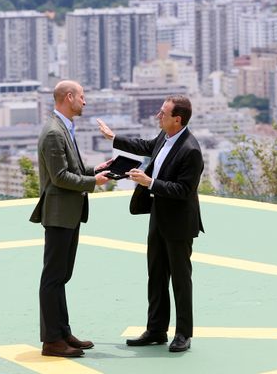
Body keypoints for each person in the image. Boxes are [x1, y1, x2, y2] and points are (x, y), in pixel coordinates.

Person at [97, 96, 204, 355]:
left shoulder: (191, 150)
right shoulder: (164, 137)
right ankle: (156, 330)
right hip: (158, 217)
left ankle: (183, 334)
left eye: (163, 113)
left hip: (179, 224)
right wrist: (114, 138)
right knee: (155, 276)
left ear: (177, 119)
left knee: (180, 280)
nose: (158, 116)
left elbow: (184, 190)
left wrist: (150, 183)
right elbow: (145, 145)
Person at [30, 80, 109, 358]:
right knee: (53, 277)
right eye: (82, 97)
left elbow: (70, 168)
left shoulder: (64, 127)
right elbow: (60, 177)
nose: (84, 102)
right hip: (59, 214)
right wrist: (93, 181)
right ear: (69, 97)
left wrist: (96, 169)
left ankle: (63, 332)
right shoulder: (54, 132)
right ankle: (52, 340)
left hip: (69, 213)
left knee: (62, 275)